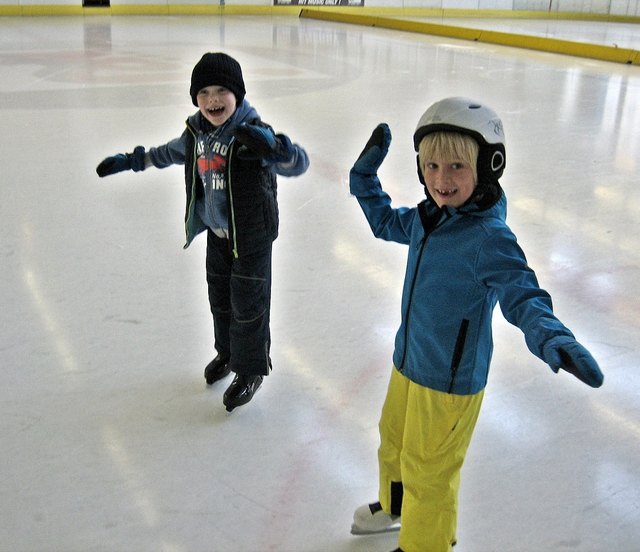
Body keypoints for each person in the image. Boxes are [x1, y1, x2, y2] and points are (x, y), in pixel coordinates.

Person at [347, 97, 603, 552]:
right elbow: (385, 221)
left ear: (488, 166)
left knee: (430, 470)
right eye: (431, 166)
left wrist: (552, 335)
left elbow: (523, 293)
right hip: (408, 361)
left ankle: (424, 544)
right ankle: (397, 508)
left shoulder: (490, 237)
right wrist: (363, 180)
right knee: (394, 441)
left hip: (449, 381)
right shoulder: (430, 219)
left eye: (456, 167)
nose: (441, 180)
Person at [96, 52, 309, 412]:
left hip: (251, 237)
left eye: (222, 91)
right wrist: (133, 161)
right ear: (195, 97)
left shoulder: (252, 133)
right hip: (217, 235)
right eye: (205, 92)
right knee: (220, 301)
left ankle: (250, 370)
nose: (213, 100)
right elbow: (166, 153)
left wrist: (275, 148)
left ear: (237, 94)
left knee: (249, 306)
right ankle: (226, 354)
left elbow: (297, 163)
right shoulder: (196, 133)